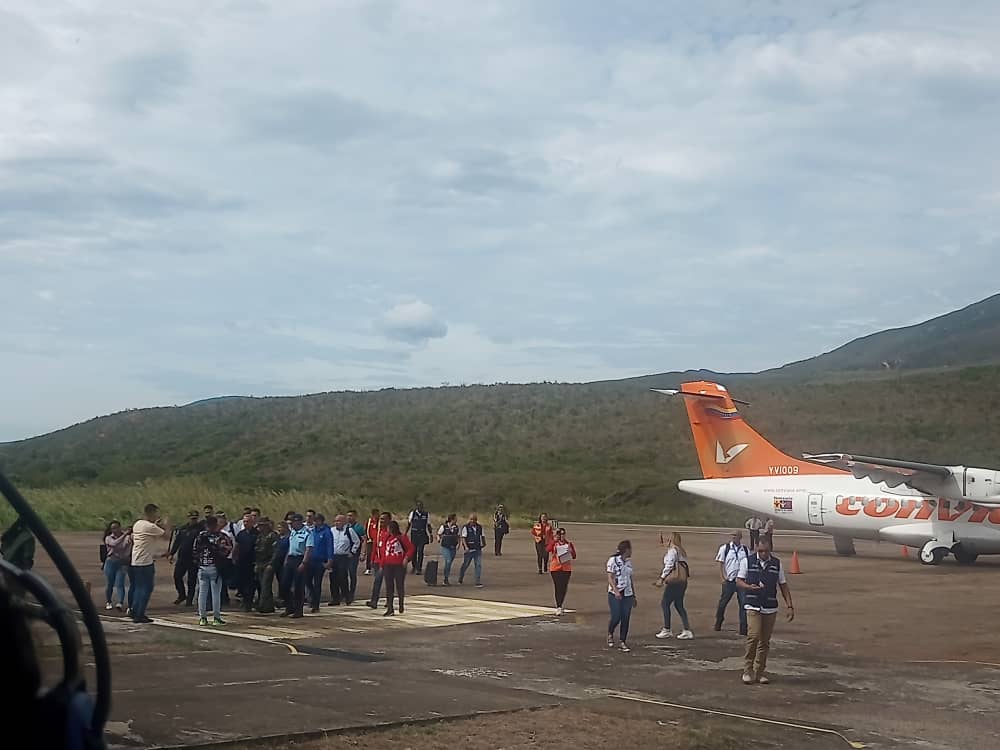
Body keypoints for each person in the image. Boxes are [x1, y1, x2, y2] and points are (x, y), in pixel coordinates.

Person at [736, 537, 795, 685]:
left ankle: (759, 671)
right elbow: (739, 580)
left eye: (766, 551)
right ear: (756, 548)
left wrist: (789, 605)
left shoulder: (776, 564)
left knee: (764, 641)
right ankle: (747, 669)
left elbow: (783, 585)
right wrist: (749, 587)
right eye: (760, 551)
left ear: (770, 550)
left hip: (770, 606)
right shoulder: (747, 561)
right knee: (753, 635)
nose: (763, 554)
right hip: (753, 604)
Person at [130, 504, 171, 624]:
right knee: (146, 588)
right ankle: (140, 613)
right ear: (151, 513)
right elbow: (166, 536)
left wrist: (157, 525)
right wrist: (167, 525)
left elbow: (152, 531)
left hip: (136, 560)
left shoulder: (138, 524)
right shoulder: (149, 526)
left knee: (138, 587)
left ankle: (134, 610)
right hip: (145, 562)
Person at [193, 515, 232, 626]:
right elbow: (227, 549)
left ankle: (202, 618)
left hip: (202, 567)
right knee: (216, 593)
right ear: (215, 524)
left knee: (202, 593)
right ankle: (216, 617)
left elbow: (194, 550)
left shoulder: (200, 536)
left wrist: (199, 562)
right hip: (215, 567)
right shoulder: (220, 536)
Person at [655, 532, 693, 640]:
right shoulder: (681, 551)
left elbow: (669, 565)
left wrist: (662, 578)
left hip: (675, 582)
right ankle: (687, 630)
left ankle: (667, 629)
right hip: (682, 582)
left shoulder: (673, 551)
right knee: (679, 605)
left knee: (665, 603)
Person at [715, 530, 750, 635]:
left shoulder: (745, 550)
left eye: (736, 535)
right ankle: (718, 622)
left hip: (741, 581)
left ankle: (743, 629)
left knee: (743, 604)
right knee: (722, 604)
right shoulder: (725, 548)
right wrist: (722, 578)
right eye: (732, 535)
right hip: (729, 581)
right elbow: (720, 564)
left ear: (740, 537)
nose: (734, 537)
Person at [607, 540, 636, 652]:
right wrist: (616, 591)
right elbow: (610, 577)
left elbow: (630, 580)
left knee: (626, 617)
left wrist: (633, 595)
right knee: (616, 616)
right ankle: (610, 632)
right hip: (615, 593)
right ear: (626, 550)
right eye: (630, 549)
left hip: (627, 593)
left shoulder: (628, 563)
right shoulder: (613, 561)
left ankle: (622, 641)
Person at [380, 520, 414, 616]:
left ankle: (401, 603)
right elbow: (384, 552)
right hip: (388, 565)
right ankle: (390, 608)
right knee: (389, 587)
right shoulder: (387, 538)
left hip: (399, 565)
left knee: (399, 585)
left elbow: (411, 548)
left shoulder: (402, 538)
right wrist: (382, 564)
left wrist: (406, 558)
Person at [169, 511, 201, 607]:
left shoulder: (200, 529)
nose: (193, 520)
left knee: (191, 580)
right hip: (182, 557)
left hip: (193, 558)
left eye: (195, 518)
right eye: (192, 518)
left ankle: (189, 600)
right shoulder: (183, 529)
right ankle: (182, 595)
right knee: (177, 576)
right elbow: (177, 542)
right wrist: (171, 553)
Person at [281, 514, 311, 619]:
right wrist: (286, 559)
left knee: (298, 586)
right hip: (290, 558)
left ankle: (298, 610)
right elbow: (290, 546)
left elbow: (308, 549)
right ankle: (289, 607)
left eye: (293, 522)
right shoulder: (293, 532)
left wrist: (304, 562)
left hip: (300, 559)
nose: (291, 524)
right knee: (284, 584)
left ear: (298, 522)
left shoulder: (307, 532)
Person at [303, 513, 333, 613]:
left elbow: (329, 546)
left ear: (321, 521)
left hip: (320, 561)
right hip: (311, 560)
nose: (315, 522)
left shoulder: (326, 532)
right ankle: (312, 598)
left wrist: (329, 560)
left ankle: (315, 604)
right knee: (307, 581)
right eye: (314, 520)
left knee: (317, 583)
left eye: (317, 520)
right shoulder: (312, 531)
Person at [328, 514, 360, 606]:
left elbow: (356, 542)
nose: (337, 523)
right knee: (333, 578)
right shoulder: (332, 530)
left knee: (342, 577)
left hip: (343, 557)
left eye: (339, 521)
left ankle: (346, 596)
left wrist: (352, 552)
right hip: (333, 557)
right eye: (335, 521)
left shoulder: (349, 530)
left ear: (344, 522)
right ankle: (335, 598)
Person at [102, 521, 131, 612]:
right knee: (110, 583)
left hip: (121, 562)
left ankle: (120, 602)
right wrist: (124, 535)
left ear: (120, 527)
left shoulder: (127, 537)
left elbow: (125, 547)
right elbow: (114, 544)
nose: (114, 530)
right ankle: (108, 601)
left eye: (116, 527)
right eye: (113, 528)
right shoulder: (108, 538)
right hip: (111, 561)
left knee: (120, 583)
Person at [546, 526, 576, 615]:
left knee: (563, 587)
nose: (561, 536)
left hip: (566, 569)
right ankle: (558, 606)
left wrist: (571, 551)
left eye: (563, 534)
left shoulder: (569, 544)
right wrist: (554, 540)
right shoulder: (555, 543)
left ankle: (561, 604)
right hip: (555, 568)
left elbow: (574, 556)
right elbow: (547, 549)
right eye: (560, 534)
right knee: (557, 587)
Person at [234, 512, 259, 612]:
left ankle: (249, 602)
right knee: (241, 583)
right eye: (244, 521)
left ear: (252, 523)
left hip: (252, 562)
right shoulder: (241, 534)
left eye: (247, 521)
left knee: (251, 583)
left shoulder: (256, 534)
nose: (245, 523)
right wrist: (234, 557)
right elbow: (237, 546)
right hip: (241, 562)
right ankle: (245, 600)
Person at [366, 512, 393, 609]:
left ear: (389, 520)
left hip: (386, 562)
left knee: (385, 581)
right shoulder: (378, 532)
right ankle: (374, 601)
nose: (381, 521)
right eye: (380, 519)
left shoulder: (390, 533)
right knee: (377, 581)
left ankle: (386, 601)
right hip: (378, 560)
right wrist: (372, 559)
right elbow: (375, 546)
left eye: (383, 519)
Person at [254, 518, 280, 614]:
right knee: (263, 585)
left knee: (266, 584)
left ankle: (263, 605)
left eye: (261, 525)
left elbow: (276, 551)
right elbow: (257, 551)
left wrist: (272, 564)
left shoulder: (273, 536)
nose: (259, 528)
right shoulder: (260, 536)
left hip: (268, 563)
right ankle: (268, 605)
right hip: (260, 562)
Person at [458, 513, 486, 587]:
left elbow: (482, 535)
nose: (472, 521)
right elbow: (463, 538)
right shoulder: (466, 527)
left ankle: (477, 581)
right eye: (471, 519)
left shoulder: (480, 527)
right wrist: (466, 547)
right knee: (465, 565)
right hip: (469, 550)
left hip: (477, 549)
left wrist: (484, 543)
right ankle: (460, 578)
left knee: (478, 565)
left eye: (474, 519)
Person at [406, 500, 432, 575]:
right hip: (414, 534)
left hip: (422, 534)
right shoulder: (412, 513)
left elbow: (428, 525)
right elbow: (409, 524)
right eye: (418, 506)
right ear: (416, 507)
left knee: (420, 551)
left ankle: (419, 568)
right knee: (413, 551)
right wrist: (405, 533)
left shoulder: (426, 514)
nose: (420, 507)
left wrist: (431, 534)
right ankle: (414, 566)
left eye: (421, 506)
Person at [346, 509, 366, 600]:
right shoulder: (345, 527)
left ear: (355, 516)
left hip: (354, 553)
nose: (349, 517)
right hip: (345, 553)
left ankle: (352, 592)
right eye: (348, 516)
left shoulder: (358, 527)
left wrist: (362, 553)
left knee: (352, 573)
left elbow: (364, 540)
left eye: (351, 516)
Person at [437, 513, 461, 585]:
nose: (456, 520)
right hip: (445, 547)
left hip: (453, 547)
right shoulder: (444, 527)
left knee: (449, 563)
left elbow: (458, 536)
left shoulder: (456, 528)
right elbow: (439, 534)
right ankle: (445, 578)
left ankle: (446, 577)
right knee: (448, 560)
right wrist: (438, 538)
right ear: (452, 519)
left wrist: (459, 544)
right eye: (455, 519)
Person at [363, 508, 381, 575]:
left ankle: (378, 567)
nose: (377, 515)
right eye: (376, 514)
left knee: (378, 553)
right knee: (369, 554)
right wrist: (367, 537)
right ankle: (368, 568)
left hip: (378, 540)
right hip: (370, 540)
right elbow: (366, 529)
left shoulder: (379, 521)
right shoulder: (369, 521)